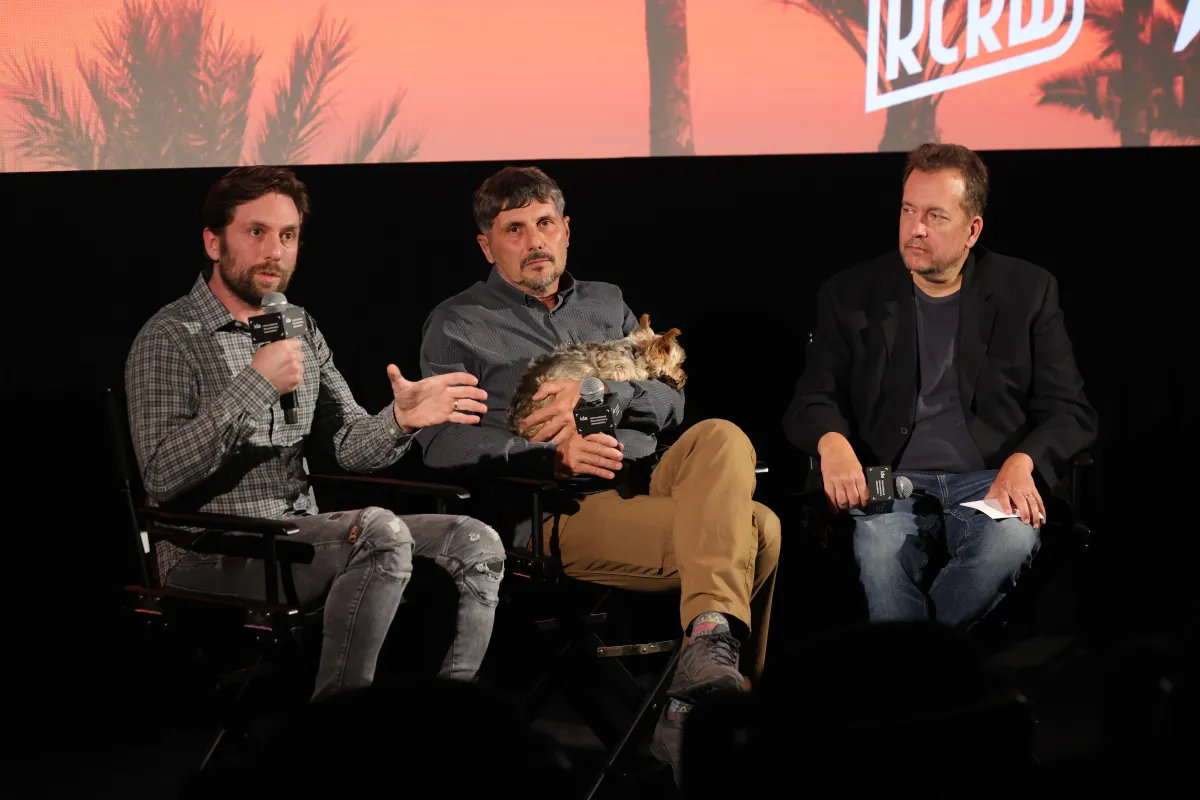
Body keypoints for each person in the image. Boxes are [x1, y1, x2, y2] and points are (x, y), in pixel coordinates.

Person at [416, 166, 781, 784]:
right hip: (559, 507)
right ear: (487, 245)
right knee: (761, 530)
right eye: (513, 229)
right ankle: (708, 713)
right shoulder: (457, 323)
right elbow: (439, 441)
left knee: (723, 433)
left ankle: (699, 680)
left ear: (565, 230)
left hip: (651, 475)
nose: (534, 241)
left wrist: (600, 393)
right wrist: (544, 456)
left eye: (544, 224)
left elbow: (670, 401)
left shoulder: (605, 302)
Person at [125, 165, 505, 701]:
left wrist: (399, 420)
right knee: (379, 533)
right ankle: (335, 738)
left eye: (287, 235)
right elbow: (163, 476)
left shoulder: (299, 324)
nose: (274, 251)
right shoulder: (170, 337)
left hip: (296, 539)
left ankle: (447, 719)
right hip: (207, 551)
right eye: (255, 232)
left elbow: (349, 445)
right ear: (214, 242)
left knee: (473, 539)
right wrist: (257, 382)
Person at [783, 142, 1097, 628]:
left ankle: (905, 681)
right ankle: (932, 687)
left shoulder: (1027, 291)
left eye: (935, 216)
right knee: (882, 555)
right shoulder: (852, 294)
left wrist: (1023, 462)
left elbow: (1070, 410)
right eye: (908, 210)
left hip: (989, 478)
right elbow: (812, 399)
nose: (916, 228)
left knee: (1010, 542)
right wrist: (833, 443)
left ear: (973, 230)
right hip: (892, 481)